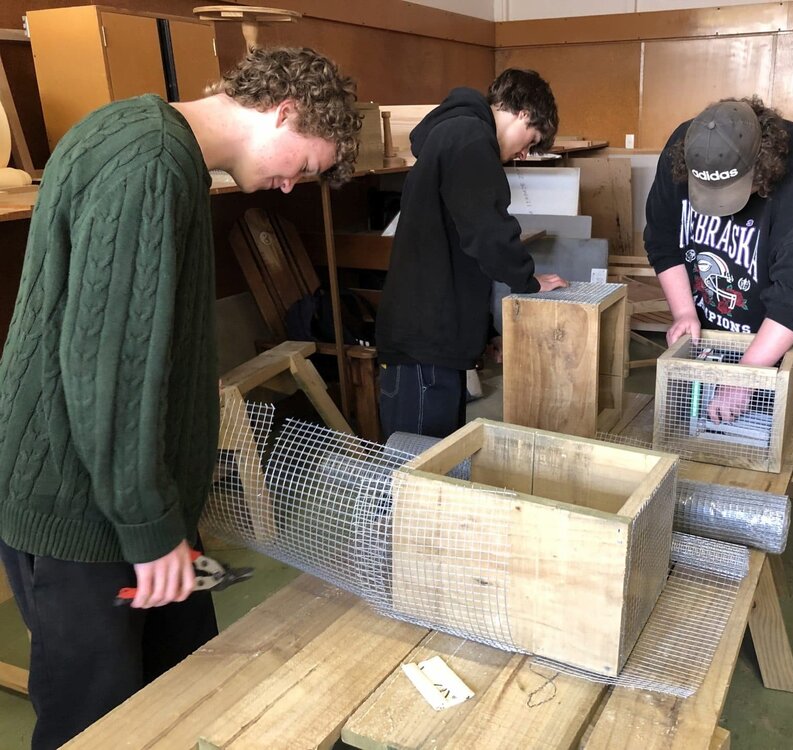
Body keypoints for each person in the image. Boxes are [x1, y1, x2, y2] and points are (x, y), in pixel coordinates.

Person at [0, 47, 360, 749]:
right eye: (307, 165)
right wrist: (149, 528)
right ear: (284, 111)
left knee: (186, 679)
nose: (291, 187)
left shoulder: (140, 135)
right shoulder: (150, 164)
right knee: (94, 721)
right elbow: (109, 370)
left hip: (120, 490)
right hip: (80, 504)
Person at [375, 68, 568, 439]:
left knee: (442, 461)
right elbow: (487, 232)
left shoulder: (457, 135)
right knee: (418, 470)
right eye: (532, 139)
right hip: (423, 346)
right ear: (524, 113)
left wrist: (487, 332)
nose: (525, 152)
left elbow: (461, 256)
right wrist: (526, 281)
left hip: (433, 341)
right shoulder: (469, 137)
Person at [644, 95, 793, 421]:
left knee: (775, 433)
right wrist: (684, 311)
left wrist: (746, 376)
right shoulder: (686, 148)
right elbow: (662, 240)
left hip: (783, 334)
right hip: (713, 326)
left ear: (764, 167)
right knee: (703, 426)